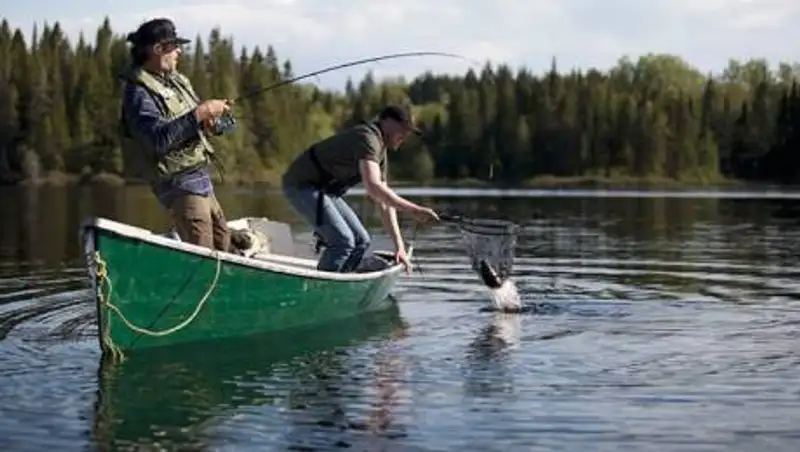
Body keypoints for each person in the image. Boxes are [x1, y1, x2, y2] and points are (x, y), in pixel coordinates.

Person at [118, 18, 234, 252]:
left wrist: (213, 124)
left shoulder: (177, 82)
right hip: (178, 184)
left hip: (200, 178)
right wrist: (201, 112)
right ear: (158, 49)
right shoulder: (138, 94)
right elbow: (156, 140)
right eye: (174, 46)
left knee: (224, 242)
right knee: (203, 255)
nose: (179, 51)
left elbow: (192, 123)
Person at [281, 104, 440, 273]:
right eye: (403, 128)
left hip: (325, 192)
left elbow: (384, 202)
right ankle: (321, 291)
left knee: (361, 240)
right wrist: (413, 209)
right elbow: (373, 186)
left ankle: (343, 281)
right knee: (342, 242)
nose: (405, 135)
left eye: (408, 131)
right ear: (386, 122)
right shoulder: (367, 137)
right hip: (303, 185)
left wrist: (399, 247)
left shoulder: (380, 152)